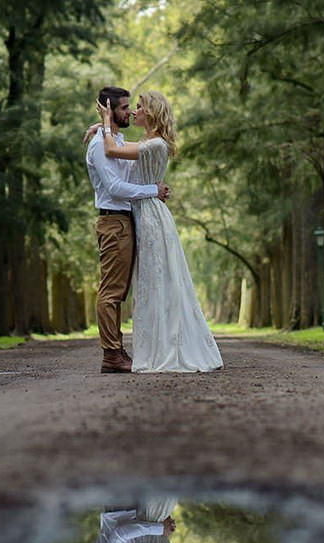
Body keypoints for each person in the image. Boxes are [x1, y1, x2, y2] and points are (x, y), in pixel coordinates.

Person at [96, 92, 223, 372]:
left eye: (139, 107)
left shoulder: (155, 144)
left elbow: (113, 150)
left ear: (151, 113)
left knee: (156, 280)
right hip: (141, 212)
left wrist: (106, 123)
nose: (134, 112)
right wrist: (102, 128)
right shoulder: (147, 142)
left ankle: (165, 347)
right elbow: (117, 145)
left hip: (150, 214)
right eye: (132, 107)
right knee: (148, 282)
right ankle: (152, 345)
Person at [85, 86, 171, 374]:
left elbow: (130, 156)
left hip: (126, 220)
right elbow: (114, 187)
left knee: (119, 291)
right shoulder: (100, 144)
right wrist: (152, 190)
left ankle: (117, 349)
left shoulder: (116, 138)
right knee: (111, 291)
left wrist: (104, 125)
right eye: (123, 108)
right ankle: (111, 354)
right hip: (113, 222)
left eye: (131, 107)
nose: (130, 111)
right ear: (109, 110)